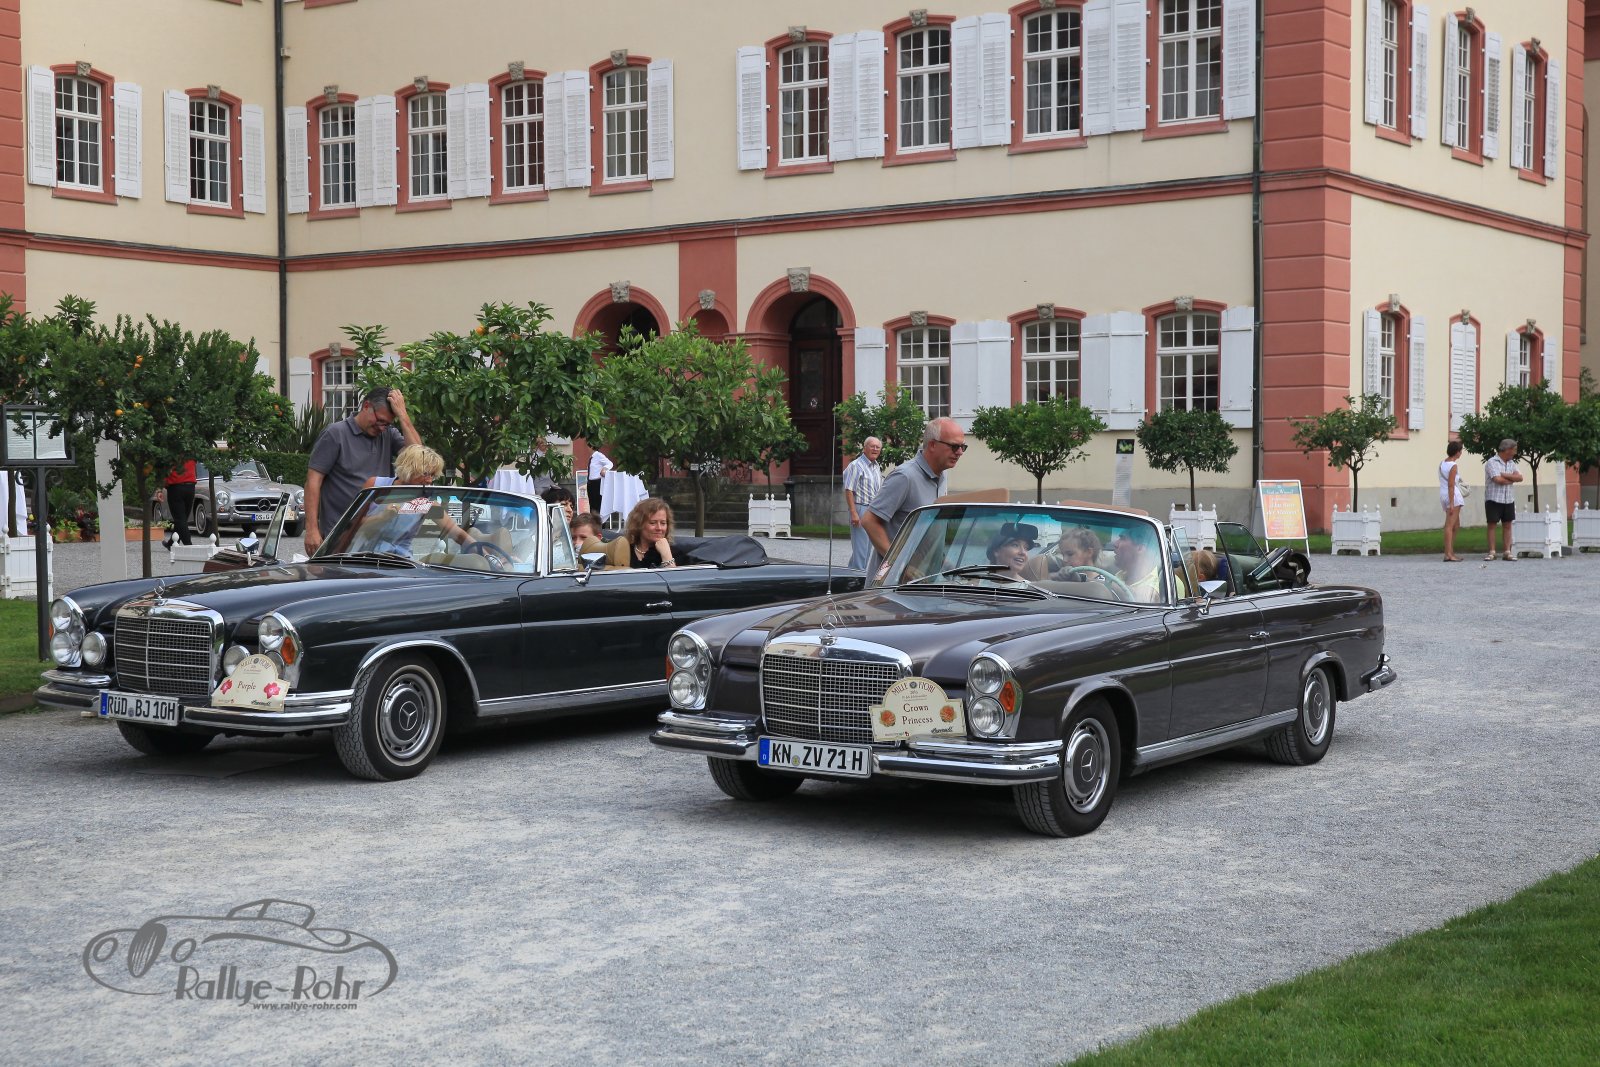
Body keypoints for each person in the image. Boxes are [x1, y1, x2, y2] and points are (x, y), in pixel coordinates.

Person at [304, 386, 420, 554]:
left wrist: (403, 415)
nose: (382, 428)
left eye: (387, 424)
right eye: (380, 421)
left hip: (378, 539)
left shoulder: (389, 434)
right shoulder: (335, 434)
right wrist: (311, 529)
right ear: (366, 406)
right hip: (340, 538)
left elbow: (419, 461)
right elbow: (313, 482)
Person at [862, 418, 966, 572]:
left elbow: (928, 536)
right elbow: (869, 521)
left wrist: (947, 564)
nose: (960, 452)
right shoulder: (905, 476)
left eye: (963, 447)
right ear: (932, 444)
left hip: (922, 580)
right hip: (893, 583)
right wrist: (899, 566)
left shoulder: (942, 476)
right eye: (954, 446)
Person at [353, 444, 475, 557]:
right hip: (360, 556)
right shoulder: (375, 485)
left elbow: (455, 532)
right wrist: (382, 517)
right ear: (409, 468)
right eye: (426, 474)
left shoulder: (426, 503)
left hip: (398, 562)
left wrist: (482, 551)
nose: (429, 480)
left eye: (432, 475)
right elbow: (352, 525)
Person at [842, 437, 884, 570]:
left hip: (873, 510)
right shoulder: (856, 465)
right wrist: (854, 513)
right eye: (872, 446)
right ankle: (859, 577)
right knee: (860, 549)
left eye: (878, 447)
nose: (875, 449)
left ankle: (851, 575)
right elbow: (849, 489)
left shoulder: (876, 466)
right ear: (864, 448)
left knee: (868, 549)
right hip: (860, 508)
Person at [605, 497, 678, 569]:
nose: (659, 528)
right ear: (638, 524)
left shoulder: (675, 553)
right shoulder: (623, 549)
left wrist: (667, 556)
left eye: (663, 523)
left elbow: (674, 576)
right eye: (652, 523)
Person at [1483, 437, 1523, 561]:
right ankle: (1492, 551)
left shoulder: (1511, 463)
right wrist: (1512, 479)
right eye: (1514, 450)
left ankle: (1507, 551)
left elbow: (1520, 478)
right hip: (1494, 498)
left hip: (1508, 498)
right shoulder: (1492, 462)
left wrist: (1505, 474)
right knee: (1492, 525)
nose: (1515, 453)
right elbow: (1497, 480)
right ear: (1507, 450)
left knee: (1508, 525)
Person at [1023, 526, 1103, 580]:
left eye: (1070, 554)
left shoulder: (1103, 582)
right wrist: (1056, 576)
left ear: (1089, 552)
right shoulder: (1063, 577)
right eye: (1063, 554)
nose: (1064, 560)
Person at [1111, 526, 1161, 602]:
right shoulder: (1119, 575)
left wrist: (1104, 582)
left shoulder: (1162, 581)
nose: (1115, 544)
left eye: (1123, 538)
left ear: (1140, 548)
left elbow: (1147, 599)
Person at [1439, 440, 1466, 562]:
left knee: (1456, 525)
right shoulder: (1453, 465)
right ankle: (1448, 554)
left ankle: (1450, 551)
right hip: (1452, 496)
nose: (1461, 453)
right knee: (1449, 526)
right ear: (1457, 452)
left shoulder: (1442, 463)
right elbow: (1451, 485)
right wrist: (1451, 503)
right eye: (1460, 451)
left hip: (1443, 494)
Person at [162, 459, 198, 546]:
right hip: (190, 486)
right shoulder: (192, 453)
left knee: (180, 519)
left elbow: (164, 469)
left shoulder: (171, 453)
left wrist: (162, 485)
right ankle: (172, 543)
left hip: (175, 486)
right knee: (182, 518)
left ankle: (188, 545)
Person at [586, 446, 614, 516]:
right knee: (592, 504)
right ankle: (593, 520)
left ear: (591, 447)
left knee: (597, 504)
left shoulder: (599, 455)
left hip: (597, 483)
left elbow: (610, 463)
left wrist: (604, 469)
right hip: (590, 483)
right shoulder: (592, 457)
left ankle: (599, 520)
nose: (587, 448)